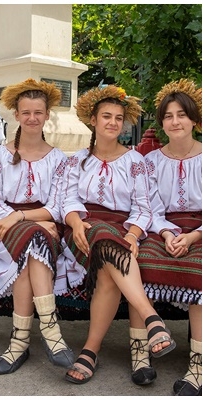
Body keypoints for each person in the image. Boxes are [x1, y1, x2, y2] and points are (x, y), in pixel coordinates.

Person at [62, 84, 176, 384]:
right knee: (100, 236)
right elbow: (68, 200)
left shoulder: (136, 162)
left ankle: (90, 350)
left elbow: (143, 207)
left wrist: (133, 235)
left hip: (122, 231)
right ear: (93, 120)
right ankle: (151, 319)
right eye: (106, 116)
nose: (113, 122)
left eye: (118, 118)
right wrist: (74, 223)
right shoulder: (75, 160)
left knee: (107, 270)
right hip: (84, 229)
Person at [0, 79, 82, 374]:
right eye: (26, 112)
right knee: (33, 240)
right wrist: (15, 219)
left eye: (38, 112)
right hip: (4, 229)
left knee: (33, 243)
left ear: (47, 114)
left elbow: (58, 206)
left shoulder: (58, 159)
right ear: (16, 115)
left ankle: (19, 343)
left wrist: (23, 217)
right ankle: (52, 335)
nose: (32, 118)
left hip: (41, 227)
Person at [135, 79, 202, 395]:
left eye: (182, 115)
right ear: (161, 122)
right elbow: (148, 208)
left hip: (202, 231)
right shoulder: (150, 162)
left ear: (194, 119)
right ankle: (141, 354)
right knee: (137, 262)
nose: (175, 121)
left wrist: (192, 238)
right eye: (168, 116)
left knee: (201, 270)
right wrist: (166, 232)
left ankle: (198, 366)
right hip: (161, 229)